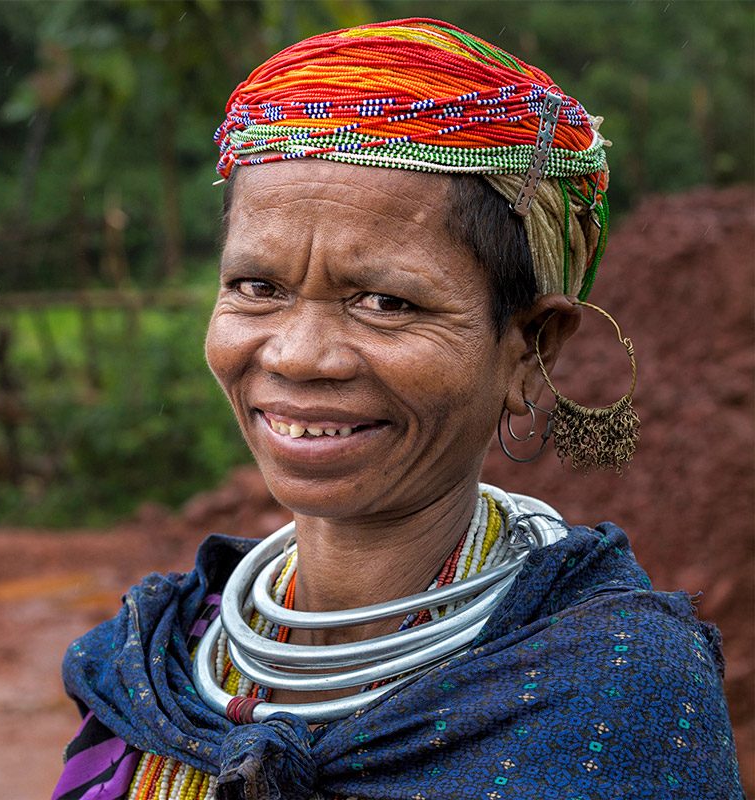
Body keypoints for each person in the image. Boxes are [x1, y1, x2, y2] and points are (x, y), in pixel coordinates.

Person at [52, 18, 743, 800]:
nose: (298, 355)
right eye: (257, 287)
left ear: (531, 348)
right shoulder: (156, 669)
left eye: (385, 301)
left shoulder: (610, 696)